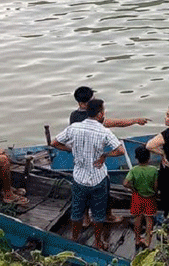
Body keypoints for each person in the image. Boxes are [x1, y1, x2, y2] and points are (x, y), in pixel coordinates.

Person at [52, 98, 124, 250]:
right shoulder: (104, 131)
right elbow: (120, 150)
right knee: (98, 214)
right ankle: (98, 242)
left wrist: (71, 149)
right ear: (100, 114)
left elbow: (55, 143)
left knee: (77, 211)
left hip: (79, 178)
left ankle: (74, 238)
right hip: (98, 178)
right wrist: (105, 155)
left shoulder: (74, 128)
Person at [123, 145, 158, 248]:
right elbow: (156, 185)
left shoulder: (134, 170)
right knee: (149, 219)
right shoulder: (154, 170)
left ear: (136, 158)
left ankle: (137, 239)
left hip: (137, 196)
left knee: (137, 218)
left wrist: (133, 189)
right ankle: (147, 241)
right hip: (150, 197)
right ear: (149, 157)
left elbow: (125, 183)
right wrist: (155, 193)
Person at [69, 86, 149, 128]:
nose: (95, 100)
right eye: (92, 100)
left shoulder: (73, 115)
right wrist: (136, 120)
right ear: (82, 104)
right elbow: (117, 123)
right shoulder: (93, 117)